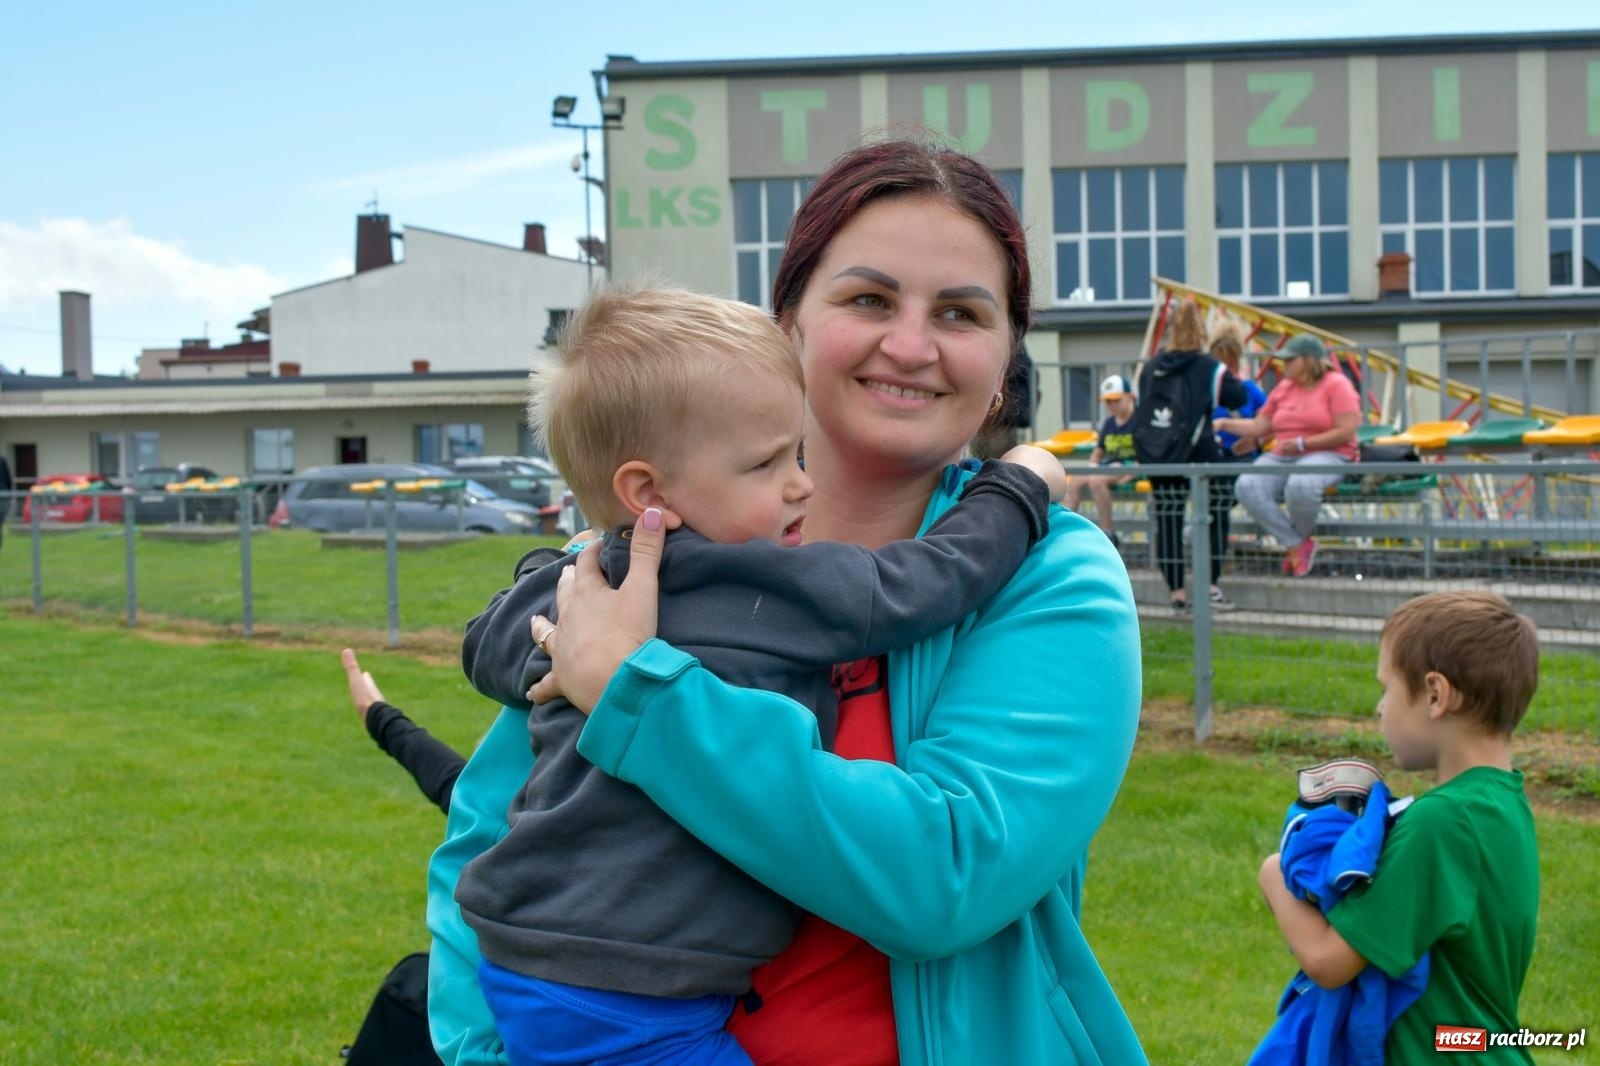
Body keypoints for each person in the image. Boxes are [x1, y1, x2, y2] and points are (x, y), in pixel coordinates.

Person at [427, 138, 1147, 1066]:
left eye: (962, 312)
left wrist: (637, 695)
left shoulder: (1051, 578)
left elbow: (945, 876)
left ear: (1006, 360)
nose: (912, 345)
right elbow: (484, 838)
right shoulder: (633, 561)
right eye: (868, 299)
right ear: (789, 326)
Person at [1256, 591, 1541, 1063]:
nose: (1380, 708)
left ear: (1435, 694)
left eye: (1387, 688)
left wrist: (1274, 871)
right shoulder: (1504, 805)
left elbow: (1331, 961)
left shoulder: (1442, 822)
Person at [1133, 299, 1250, 613]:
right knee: (1217, 511)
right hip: (1202, 453)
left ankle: (1177, 593)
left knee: (1169, 519)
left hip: (1161, 454)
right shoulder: (1209, 367)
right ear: (1202, 330)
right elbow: (1238, 395)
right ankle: (1210, 586)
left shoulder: (1152, 366)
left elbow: (1142, 407)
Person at [1215, 334, 1360, 578]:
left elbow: (1347, 431)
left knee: (1301, 483)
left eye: (1290, 360)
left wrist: (1304, 443)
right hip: (1283, 454)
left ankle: (1297, 546)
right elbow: (1260, 426)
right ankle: (1296, 544)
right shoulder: (1284, 388)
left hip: (1328, 454)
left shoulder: (1337, 384)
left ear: (1307, 360)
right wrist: (1223, 424)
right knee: (1247, 485)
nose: (1284, 365)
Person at [1206, 323, 1269, 585]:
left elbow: (1268, 427)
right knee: (1215, 506)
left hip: (1242, 459)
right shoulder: (1209, 391)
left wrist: (1253, 439)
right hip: (1216, 458)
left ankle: (1212, 574)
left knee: (1218, 505)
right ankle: (1211, 572)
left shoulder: (1251, 391)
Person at [1062, 373, 1137, 542]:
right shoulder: (1110, 423)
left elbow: (1146, 454)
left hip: (1129, 465)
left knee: (1097, 480)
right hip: (1109, 466)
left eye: (1117, 400)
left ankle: (1107, 532)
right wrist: (1093, 464)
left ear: (1129, 397)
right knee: (1074, 480)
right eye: (1109, 402)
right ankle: (1066, 529)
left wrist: (1129, 475)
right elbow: (1099, 450)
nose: (1113, 405)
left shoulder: (1138, 420)